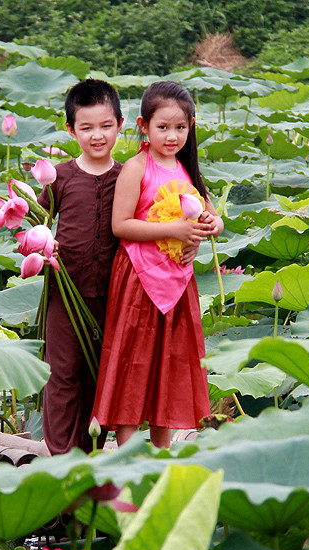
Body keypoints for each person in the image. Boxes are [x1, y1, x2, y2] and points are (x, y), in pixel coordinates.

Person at [90, 80, 224, 449]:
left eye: (180, 128)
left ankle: (162, 453)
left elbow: (214, 217)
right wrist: (176, 229)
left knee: (170, 364)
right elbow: (121, 225)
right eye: (162, 127)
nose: (172, 136)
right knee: (134, 364)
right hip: (138, 279)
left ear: (191, 127)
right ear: (142, 125)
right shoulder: (136, 168)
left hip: (178, 284)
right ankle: (128, 452)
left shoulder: (186, 169)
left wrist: (211, 226)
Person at [36, 78, 124, 455]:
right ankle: (59, 460)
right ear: (71, 129)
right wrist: (43, 244)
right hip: (65, 293)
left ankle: (89, 457)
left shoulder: (129, 176)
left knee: (99, 375)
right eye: (87, 128)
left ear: (120, 123)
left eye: (106, 126)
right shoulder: (59, 176)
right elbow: (32, 225)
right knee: (63, 374)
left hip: (116, 294)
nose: (98, 136)